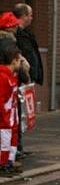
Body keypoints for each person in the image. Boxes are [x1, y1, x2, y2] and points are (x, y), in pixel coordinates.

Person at [0, 39, 21, 177]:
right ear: (14, 60)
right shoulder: (3, 77)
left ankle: (9, 160)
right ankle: (3, 163)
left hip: (11, 117)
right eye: (19, 60)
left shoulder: (11, 76)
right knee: (4, 141)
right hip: (4, 118)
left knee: (11, 139)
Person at [13, 3, 44, 85]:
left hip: (28, 78)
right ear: (24, 16)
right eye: (30, 15)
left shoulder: (27, 34)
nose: (32, 18)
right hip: (21, 79)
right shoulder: (14, 34)